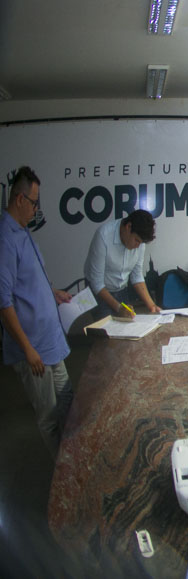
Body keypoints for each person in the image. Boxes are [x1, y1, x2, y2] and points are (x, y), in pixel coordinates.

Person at [0, 167, 74, 457]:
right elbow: (4, 302)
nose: (36, 209)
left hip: (50, 341)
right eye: (34, 202)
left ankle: (72, 458)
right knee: (49, 415)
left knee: (68, 399)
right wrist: (28, 350)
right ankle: (62, 476)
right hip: (34, 351)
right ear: (19, 199)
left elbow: (29, 281)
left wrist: (51, 293)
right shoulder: (5, 240)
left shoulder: (23, 232)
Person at [84, 208, 159, 318]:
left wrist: (152, 305)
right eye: (137, 240)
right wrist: (118, 308)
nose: (138, 246)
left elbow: (137, 277)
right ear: (128, 227)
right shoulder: (103, 236)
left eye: (141, 243)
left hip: (121, 289)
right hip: (99, 293)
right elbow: (97, 283)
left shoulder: (140, 241)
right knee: (106, 329)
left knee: (126, 326)